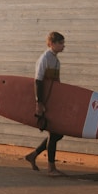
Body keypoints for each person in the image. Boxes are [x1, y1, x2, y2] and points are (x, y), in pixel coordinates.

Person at [24, 30, 66, 175]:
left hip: (52, 101)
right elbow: (38, 81)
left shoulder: (56, 60)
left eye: (63, 43)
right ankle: (51, 168)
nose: (63, 46)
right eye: (60, 43)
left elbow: (56, 83)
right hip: (45, 101)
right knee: (55, 133)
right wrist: (39, 102)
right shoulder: (45, 58)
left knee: (58, 133)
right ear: (51, 44)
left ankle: (33, 155)